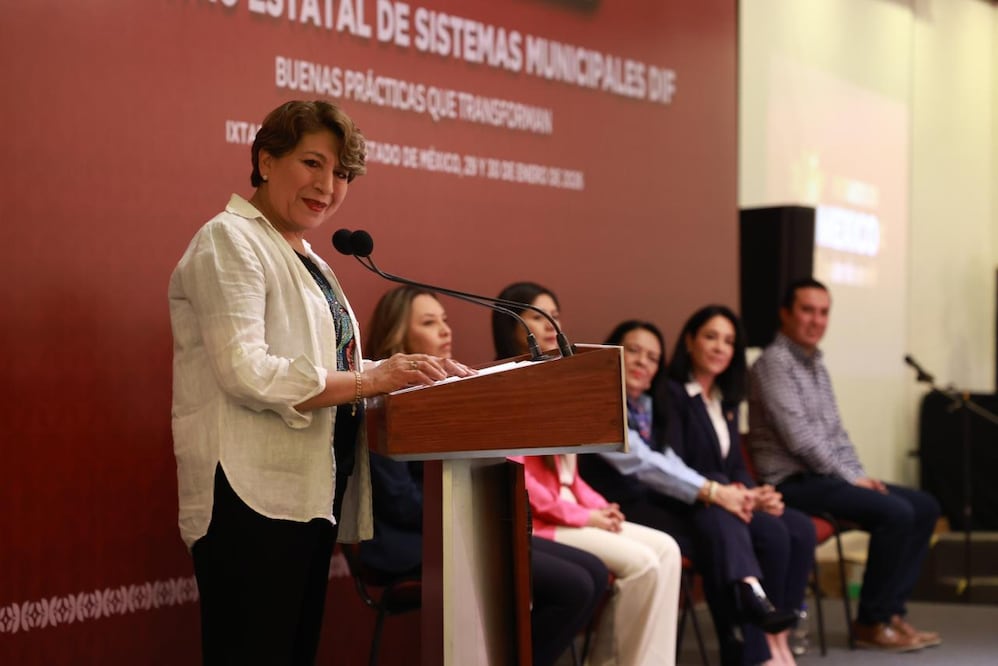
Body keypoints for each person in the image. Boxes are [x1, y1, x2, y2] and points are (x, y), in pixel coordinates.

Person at [168, 100, 469, 665]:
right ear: (265, 160)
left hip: (310, 492)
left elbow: (330, 362)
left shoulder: (309, 257)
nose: (328, 186)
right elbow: (246, 370)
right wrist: (372, 379)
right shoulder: (229, 239)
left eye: (342, 173)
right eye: (312, 163)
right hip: (249, 497)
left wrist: (409, 375)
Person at [360, 285, 611, 666]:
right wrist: (475, 515)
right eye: (429, 322)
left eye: (445, 320)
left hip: (459, 526)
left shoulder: (444, 390)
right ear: (396, 334)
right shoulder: (380, 401)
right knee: (574, 587)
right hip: (410, 542)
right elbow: (401, 502)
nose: (446, 330)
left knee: (593, 571)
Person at [578, 319, 800, 666]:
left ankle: (747, 628)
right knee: (716, 528)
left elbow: (670, 461)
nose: (642, 362)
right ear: (610, 355)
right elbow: (642, 463)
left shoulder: (647, 406)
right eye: (632, 351)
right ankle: (748, 616)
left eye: (652, 357)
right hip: (615, 508)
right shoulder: (597, 403)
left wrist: (725, 493)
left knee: (722, 525)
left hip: (653, 503)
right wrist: (714, 491)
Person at [748, 277, 942, 652]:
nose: (816, 320)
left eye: (824, 312)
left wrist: (859, 475)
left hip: (825, 478)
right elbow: (800, 439)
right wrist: (851, 478)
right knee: (896, 513)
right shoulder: (773, 363)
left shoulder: (816, 365)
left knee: (925, 506)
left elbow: (836, 433)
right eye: (807, 310)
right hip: (789, 482)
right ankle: (871, 622)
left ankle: (891, 613)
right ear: (785, 314)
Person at [493, 283, 682, 666]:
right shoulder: (500, 385)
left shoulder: (556, 382)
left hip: (573, 514)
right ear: (509, 324)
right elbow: (524, 483)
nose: (550, 325)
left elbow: (571, 477)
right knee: (643, 565)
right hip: (543, 525)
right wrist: (585, 516)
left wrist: (600, 507)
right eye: (537, 316)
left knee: (668, 549)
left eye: (555, 316)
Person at [666, 305, 816, 665]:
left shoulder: (725, 399)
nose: (721, 347)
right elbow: (675, 463)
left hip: (730, 498)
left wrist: (756, 494)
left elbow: (735, 464)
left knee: (800, 528)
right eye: (711, 337)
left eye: (729, 341)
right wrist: (732, 493)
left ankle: (779, 636)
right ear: (689, 341)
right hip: (695, 503)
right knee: (773, 535)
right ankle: (756, 648)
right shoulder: (673, 394)